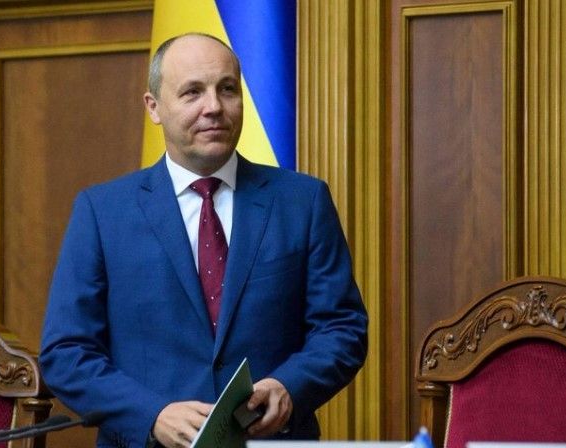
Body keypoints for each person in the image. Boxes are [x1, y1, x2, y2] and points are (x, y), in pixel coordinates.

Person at [39, 33, 368, 448]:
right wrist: (151, 414)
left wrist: (289, 386)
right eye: (192, 92)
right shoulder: (102, 212)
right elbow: (66, 353)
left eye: (227, 89)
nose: (214, 107)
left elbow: (342, 328)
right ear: (154, 107)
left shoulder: (303, 202)